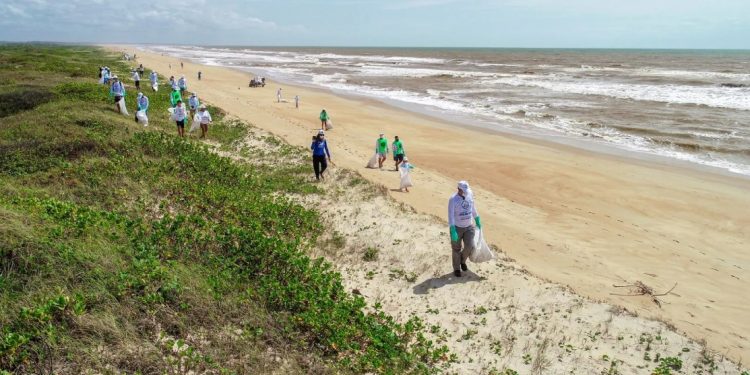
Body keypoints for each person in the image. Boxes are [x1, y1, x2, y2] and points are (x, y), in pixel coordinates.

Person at [448, 181, 482, 277]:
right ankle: (457, 268)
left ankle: (462, 261)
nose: (466, 192)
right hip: (457, 227)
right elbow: (450, 216)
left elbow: (473, 209)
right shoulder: (453, 199)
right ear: (458, 189)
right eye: (463, 190)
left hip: (469, 227)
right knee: (456, 249)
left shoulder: (469, 194)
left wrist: (477, 219)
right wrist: (453, 229)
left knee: (470, 245)